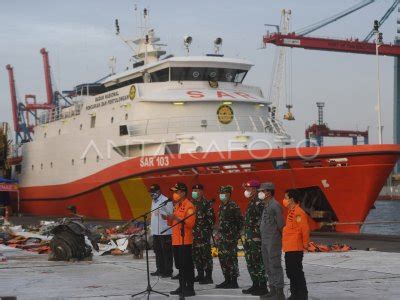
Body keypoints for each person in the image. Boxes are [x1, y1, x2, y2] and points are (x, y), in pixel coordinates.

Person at [167, 182, 196, 297]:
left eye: (177, 192)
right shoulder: (176, 205)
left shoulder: (189, 206)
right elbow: (172, 223)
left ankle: (190, 288)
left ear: (183, 193)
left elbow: (190, 223)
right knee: (179, 265)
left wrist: (176, 218)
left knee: (187, 265)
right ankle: (182, 286)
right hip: (176, 240)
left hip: (185, 241)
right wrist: (169, 218)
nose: (175, 194)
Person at [258, 182, 285, 300]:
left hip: (273, 240)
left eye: (262, 191)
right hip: (265, 240)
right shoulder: (266, 205)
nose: (260, 193)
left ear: (268, 192)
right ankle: (272, 290)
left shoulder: (275, 205)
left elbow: (281, 225)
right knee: (268, 266)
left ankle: (279, 293)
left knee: (275, 265)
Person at [282, 189, 310, 300]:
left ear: (291, 199)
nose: (284, 200)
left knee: (296, 271)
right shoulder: (291, 211)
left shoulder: (299, 213)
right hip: (289, 247)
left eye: (286, 198)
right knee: (290, 272)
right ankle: (295, 293)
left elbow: (305, 229)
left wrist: (305, 244)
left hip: (295, 247)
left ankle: (302, 294)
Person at [242, 179, 268, 296]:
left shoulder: (260, 202)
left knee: (258, 261)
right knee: (250, 261)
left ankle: (262, 286)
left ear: (256, 189)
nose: (247, 191)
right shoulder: (252, 202)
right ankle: (255, 284)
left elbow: (263, 220)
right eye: (246, 189)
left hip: (256, 237)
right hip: (249, 236)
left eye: (249, 189)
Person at [215, 185, 244, 289]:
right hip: (222, 238)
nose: (221, 195)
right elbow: (221, 222)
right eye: (221, 193)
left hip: (231, 238)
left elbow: (240, 221)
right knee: (222, 258)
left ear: (228, 194)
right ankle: (227, 279)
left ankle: (234, 281)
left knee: (231, 259)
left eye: (224, 193)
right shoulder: (221, 206)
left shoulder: (233, 206)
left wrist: (236, 235)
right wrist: (218, 233)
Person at [191, 184, 215, 284]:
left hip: (203, 234)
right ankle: (200, 274)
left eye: (197, 190)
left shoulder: (206, 203)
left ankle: (208, 276)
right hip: (194, 234)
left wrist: (206, 231)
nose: (195, 192)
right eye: (193, 190)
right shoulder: (192, 203)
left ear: (201, 191)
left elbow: (212, 219)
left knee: (206, 255)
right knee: (196, 255)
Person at [148, 184, 174, 278]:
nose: (152, 194)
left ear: (159, 191)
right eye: (151, 192)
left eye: (154, 192)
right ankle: (160, 269)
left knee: (166, 252)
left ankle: (168, 271)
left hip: (164, 231)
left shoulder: (166, 201)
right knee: (157, 251)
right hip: (156, 231)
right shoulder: (153, 201)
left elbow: (171, 214)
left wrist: (162, 212)